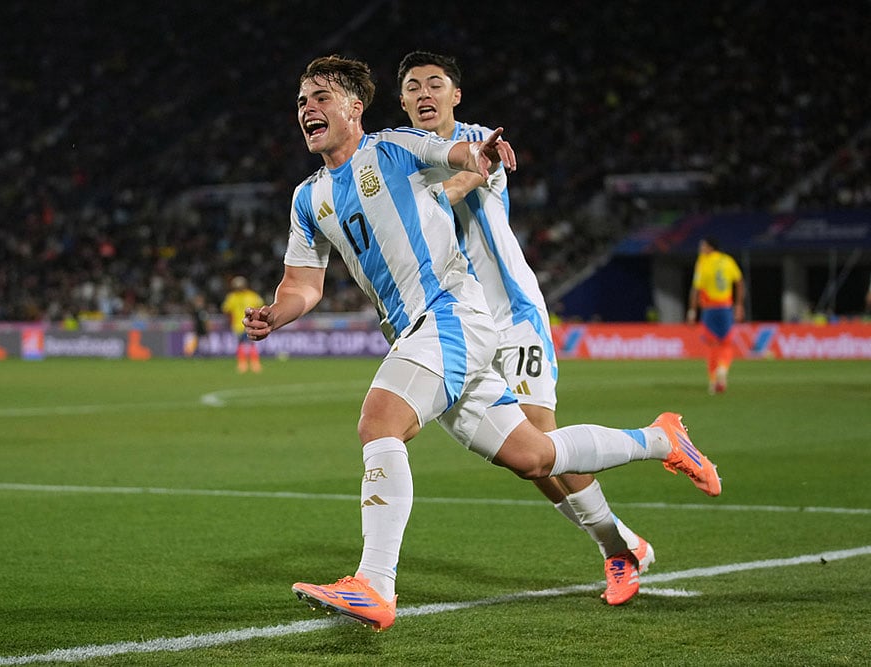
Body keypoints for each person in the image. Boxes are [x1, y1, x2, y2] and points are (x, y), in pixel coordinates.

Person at [244, 54, 721, 633]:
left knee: (380, 422)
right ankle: (659, 439)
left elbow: (455, 155)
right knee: (535, 456)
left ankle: (374, 582)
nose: (307, 109)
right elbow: (303, 283)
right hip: (426, 330)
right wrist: (277, 312)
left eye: (320, 98)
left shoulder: (394, 147)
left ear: (354, 106)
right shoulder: (307, 198)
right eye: (301, 101)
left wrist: (477, 155)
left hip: (452, 312)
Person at [396, 50, 651, 605]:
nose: (423, 94)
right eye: (412, 86)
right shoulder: (398, 155)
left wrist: (436, 192)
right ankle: (621, 542)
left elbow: (453, 189)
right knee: (526, 461)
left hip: (510, 316)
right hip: (458, 325)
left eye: (434, 84)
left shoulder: (481, 140)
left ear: (454, 96)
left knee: (541, 435)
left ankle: (619, 542)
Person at [686, 237, 745, 393]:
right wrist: (739, 305)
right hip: (725, 308)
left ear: (710, 248)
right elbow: (739, 282)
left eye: (703, 246)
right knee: (726, 343)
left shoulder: (703, 263)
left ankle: (713, 381)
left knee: (712, 346)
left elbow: (696, 289)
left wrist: (692, 312)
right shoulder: (728, 261)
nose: (700, 249)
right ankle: (723, 368)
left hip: (710, 310)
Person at [221, 276, 264, 373]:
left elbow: (226, 310)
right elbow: (260, 307)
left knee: (245, 344)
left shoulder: (232, 297)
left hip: (243, 324)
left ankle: (246, 364)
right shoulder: (251, 296)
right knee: (248, 344)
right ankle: (251, 364)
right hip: (243, 324)